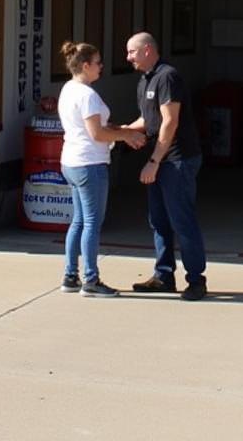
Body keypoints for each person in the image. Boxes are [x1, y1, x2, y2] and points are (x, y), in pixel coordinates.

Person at [57, 40, 146, 297]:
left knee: (79, 221)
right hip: (90, 164)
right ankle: (91, 279)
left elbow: (96, 129)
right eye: (97, 63)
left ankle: (70, 275)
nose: (101, 67)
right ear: (85, 66)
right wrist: (127, 136)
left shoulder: (69, 89)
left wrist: (123, 130)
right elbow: (97, 134)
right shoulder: (87, 95)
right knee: (93, 223)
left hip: (71, 161)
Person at [124, 31, 208, 300]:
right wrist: (121, 131)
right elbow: (148, 120)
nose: (128, 58)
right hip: (160, 161)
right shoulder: (145, 80)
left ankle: (196, 280)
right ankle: (163, 276)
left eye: (132, 52)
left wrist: (153, 161)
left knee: (182, 221)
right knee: (158, 221)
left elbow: (169, 121)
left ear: (148, 50)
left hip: (176, 161)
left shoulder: (167, 77)